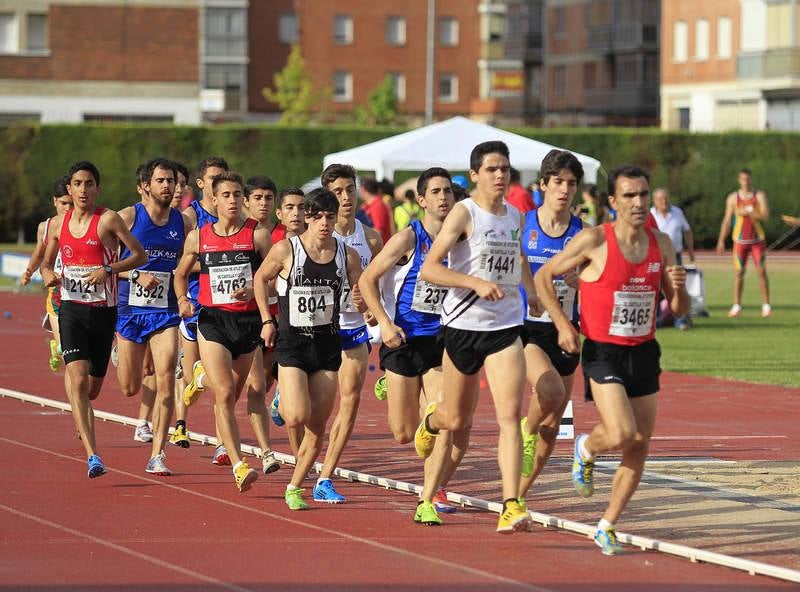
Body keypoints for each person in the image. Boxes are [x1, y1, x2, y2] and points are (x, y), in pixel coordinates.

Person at [537, 164, 688, 555]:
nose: (639, 203)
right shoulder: (594, 241)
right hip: (604, 351)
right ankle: (585, 447)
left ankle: (607, 524)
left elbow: (679, 306)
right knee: (620, 431)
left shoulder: (662, 244)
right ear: (612, 202)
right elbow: (544, 277)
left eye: (643, 195)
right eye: (629, 196)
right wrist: (562, 326)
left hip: (645, 350)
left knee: (639, 443)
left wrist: (680, 286)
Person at [413, 141, 541, 533]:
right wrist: (473, 282)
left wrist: (532, 291)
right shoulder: (463, 213)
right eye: (491, 169)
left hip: (504, 329)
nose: (500, 175)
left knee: (509, 418)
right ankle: (431, 426)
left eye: (504, 168)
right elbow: (431, 269)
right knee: (456, 418)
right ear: (474, 175)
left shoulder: (515, 215)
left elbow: (517, 258)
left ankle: (511, 504)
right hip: (463, 328)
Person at [359, 167, 464, 523]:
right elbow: (368, 278)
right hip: (402, 339)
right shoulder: (409, 238)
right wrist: (384, 323)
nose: (443, 197)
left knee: (443, 414)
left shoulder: (462, 240)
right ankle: (394, 386)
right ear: (421, 200)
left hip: (441, 340)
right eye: (435, 191)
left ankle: (427, 500)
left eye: (448, 191)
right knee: (403, 433)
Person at [254, 188, 364, 510]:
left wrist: (365, 305)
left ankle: (295, 487)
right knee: (296, 416)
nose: (325, 223)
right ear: (307, 219)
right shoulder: (287, 249)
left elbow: (361, 290)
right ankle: (283, 399)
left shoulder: (347, 255)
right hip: (293, 343)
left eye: (331, 216)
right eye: (318, 217)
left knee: (317, 426)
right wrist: (265, 320)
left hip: (327, 344)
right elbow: (261, 279)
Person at [40, 161, 147, 478]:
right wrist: (48, 275)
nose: (83, 190)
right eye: (77, 184)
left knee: (92, 389)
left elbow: (140, 256)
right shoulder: (59, 224)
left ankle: (92, 393)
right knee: (76, 380)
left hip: (103, 312)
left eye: (89, 184)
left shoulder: (108, 220)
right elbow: (47, 263)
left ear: (97, 188)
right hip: (71, 310)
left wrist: (109, 270)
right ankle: (93, 455)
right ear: (69, 189)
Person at [174, 171, 272, 492]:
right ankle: (239, 464)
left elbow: (274, 276)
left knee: (233, 390)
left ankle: (199, 378)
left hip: (247, 323)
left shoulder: (257, 235)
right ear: (214, 200)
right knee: (226, 393)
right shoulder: (199, 237)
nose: (232, 201)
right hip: (213, 319)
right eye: (226, 195)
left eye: (236, 195)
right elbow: (180, 273)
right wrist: (182, 299)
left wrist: (255, 287)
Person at [517, 150, 585, 507]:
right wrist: (528, 289)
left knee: (553, 425)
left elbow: (598, 277)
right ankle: (524, 432)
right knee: (553, 392)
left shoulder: (582, 234)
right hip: (528, 328)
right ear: (543, 184)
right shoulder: (523, 224)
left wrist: (583, 277)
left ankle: (518, 496)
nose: (564, 189)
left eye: (571, 183)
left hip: (567, 331)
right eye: (557, 182)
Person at [313, 163, 383, 503]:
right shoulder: (313, 236)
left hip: (354, 328)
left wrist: (370, 305)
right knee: (314, 410)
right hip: (317, 328)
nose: (345, 197)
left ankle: (325, 476)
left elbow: (379, 283)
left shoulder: (371, 237)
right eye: (338, 191)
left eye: (350, 190)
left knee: (350, 400)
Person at [115, 158, 189, 475]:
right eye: (161, 180)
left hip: (165, 312)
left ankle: (157, 454)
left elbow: (193, 262)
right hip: (130, 310)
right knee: (129, 387)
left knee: (166, 379)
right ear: (145, 186)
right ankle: (120, 350)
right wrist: (135, 276)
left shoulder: (182, 223)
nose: (168, 186)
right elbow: (106, 267)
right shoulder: (128, 217)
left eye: (171, 180)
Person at [175, 156, 229, 457]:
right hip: (195, 305)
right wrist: (215, 263)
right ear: (201, 183)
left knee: (224, 380)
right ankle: (181, 422)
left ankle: (222, 444)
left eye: (224, 177)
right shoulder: (189, 218)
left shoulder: (236, 215)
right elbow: (180, 263)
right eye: (213, 178)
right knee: (193, 373)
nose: (219, 182)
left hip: (225, 306)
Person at [241, 175, 281, 474]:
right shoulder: (241, 233)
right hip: (249, 317)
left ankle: (281, 398)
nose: (263, 203)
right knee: (254, 385)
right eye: (258, 198)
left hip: (283, 316)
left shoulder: (284, 234)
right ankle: (266, 452)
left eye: (268, 198)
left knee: (264, 383)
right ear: (247, 202)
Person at [22, 176, 73, 372]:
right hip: (57, 295)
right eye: (64, 203)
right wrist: (28, 272)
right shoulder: (46, 227)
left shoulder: (83, 225)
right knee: (70, 352)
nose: (68, 208)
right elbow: (38, 253)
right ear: (55, 202)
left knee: (74, 352)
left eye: (72, 203)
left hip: (80, 295)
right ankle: (57, 348)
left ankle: (57, 349)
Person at [716, 168, 771, 318]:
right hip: (739, 241)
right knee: (739, 272)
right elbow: (727, 220)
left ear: (751, 180)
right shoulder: (733, 198)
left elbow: (765, 215)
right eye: (743, 179)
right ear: (739, 180)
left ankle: (766, 306)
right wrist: (721, 240)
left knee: (761, 270)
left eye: (748, 179)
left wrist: (749, 212)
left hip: (757, 240)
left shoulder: (759, 195)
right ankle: (736, 306)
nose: (746, 182)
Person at [651, 188, 695, 330]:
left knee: (677, 287)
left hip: (675, 256)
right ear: (654, 201)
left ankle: (681, 320)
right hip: (655, 256)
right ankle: (656, 320)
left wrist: (690, 250)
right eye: (660, 199)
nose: (663, 201)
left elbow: (687, 231)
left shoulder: (678, 212)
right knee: (655, 289)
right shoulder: (649, 214)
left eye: (665, 198)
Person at [359, 176, 392, 244]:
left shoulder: (378, 206)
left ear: (362, 189)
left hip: (377, 250)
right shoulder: (366, 205)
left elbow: (378, 232)